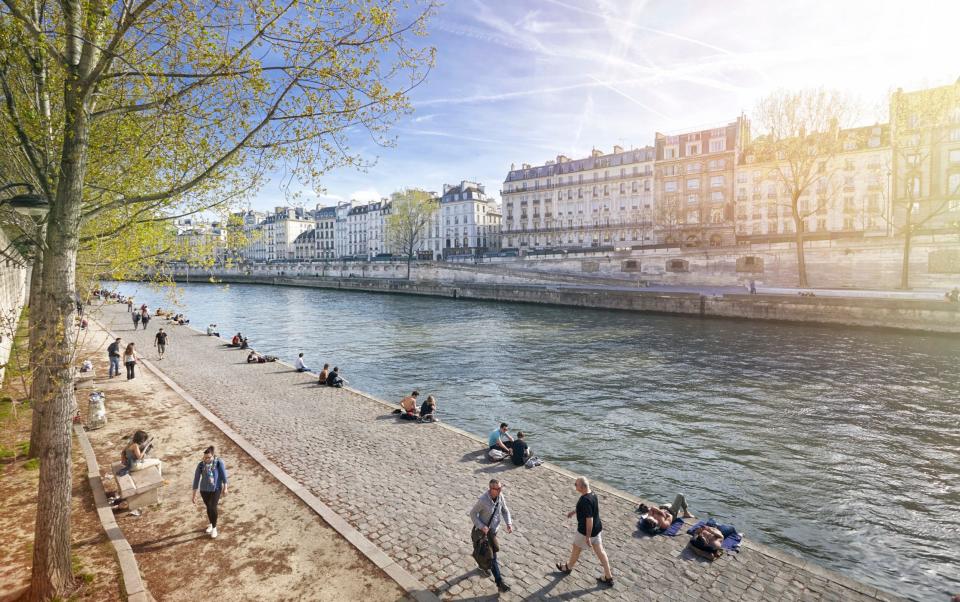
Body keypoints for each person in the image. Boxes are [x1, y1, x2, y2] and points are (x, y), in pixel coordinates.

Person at [556, 477, 613, 587]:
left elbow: (589, 519)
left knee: (576, 548)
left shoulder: (584, 500)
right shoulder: (593, 494)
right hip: (597, 529)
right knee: (601, 552)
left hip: (585, 531)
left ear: (581, 487)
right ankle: (608, 576)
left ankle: (567, 567)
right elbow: (588, 509)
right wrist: (574, 512)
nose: (575, 486)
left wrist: (587, 537)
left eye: (576, 484)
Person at [469, 479, 514, 593]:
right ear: (491, 489)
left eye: (500, 488)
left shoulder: (500, 496)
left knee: (484, 551)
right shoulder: (483, 500)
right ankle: (499, 583)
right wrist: (481, 526)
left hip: (494, 532)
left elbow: (505, 510)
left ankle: (482, 565)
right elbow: (473, 513)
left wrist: (509, 523)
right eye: (498, 489)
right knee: (492, 556)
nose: (500, 490)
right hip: (484, 532)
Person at [192, 445, 228, 539]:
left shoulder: (218, 463)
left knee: (213, 507)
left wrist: (225, 487)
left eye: (209, 457)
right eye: (205, 457)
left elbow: (224, 475)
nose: (206, 459)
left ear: (213, 455)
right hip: (204, 490)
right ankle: (211, 524)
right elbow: (196, 479)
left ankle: (214, 528)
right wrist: (194, 494)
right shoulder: (201, 465)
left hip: (216, 489)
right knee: (208, 507)